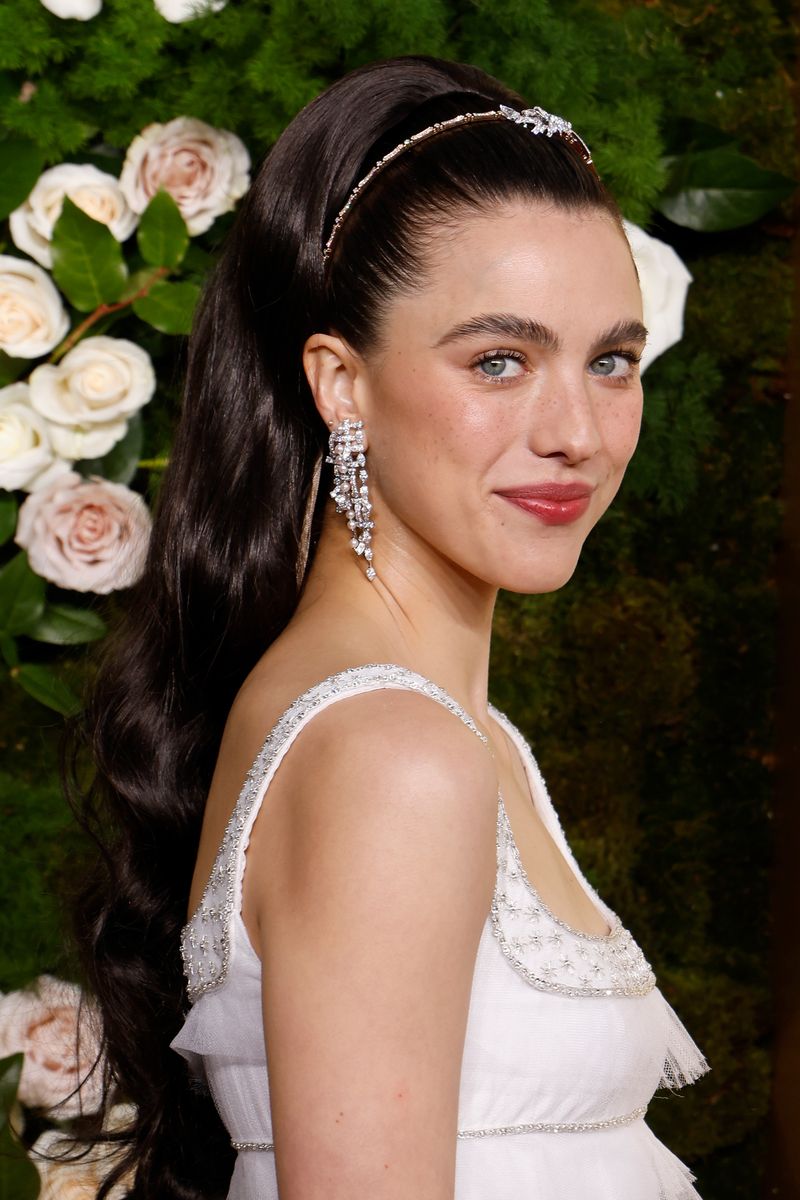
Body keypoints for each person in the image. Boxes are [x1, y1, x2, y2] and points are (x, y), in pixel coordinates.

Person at [66, 54, 710, 1200]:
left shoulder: (416, 723)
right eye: (499, 360)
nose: (576, 430)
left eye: (610, 360)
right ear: (340, 382)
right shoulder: (391, 754)